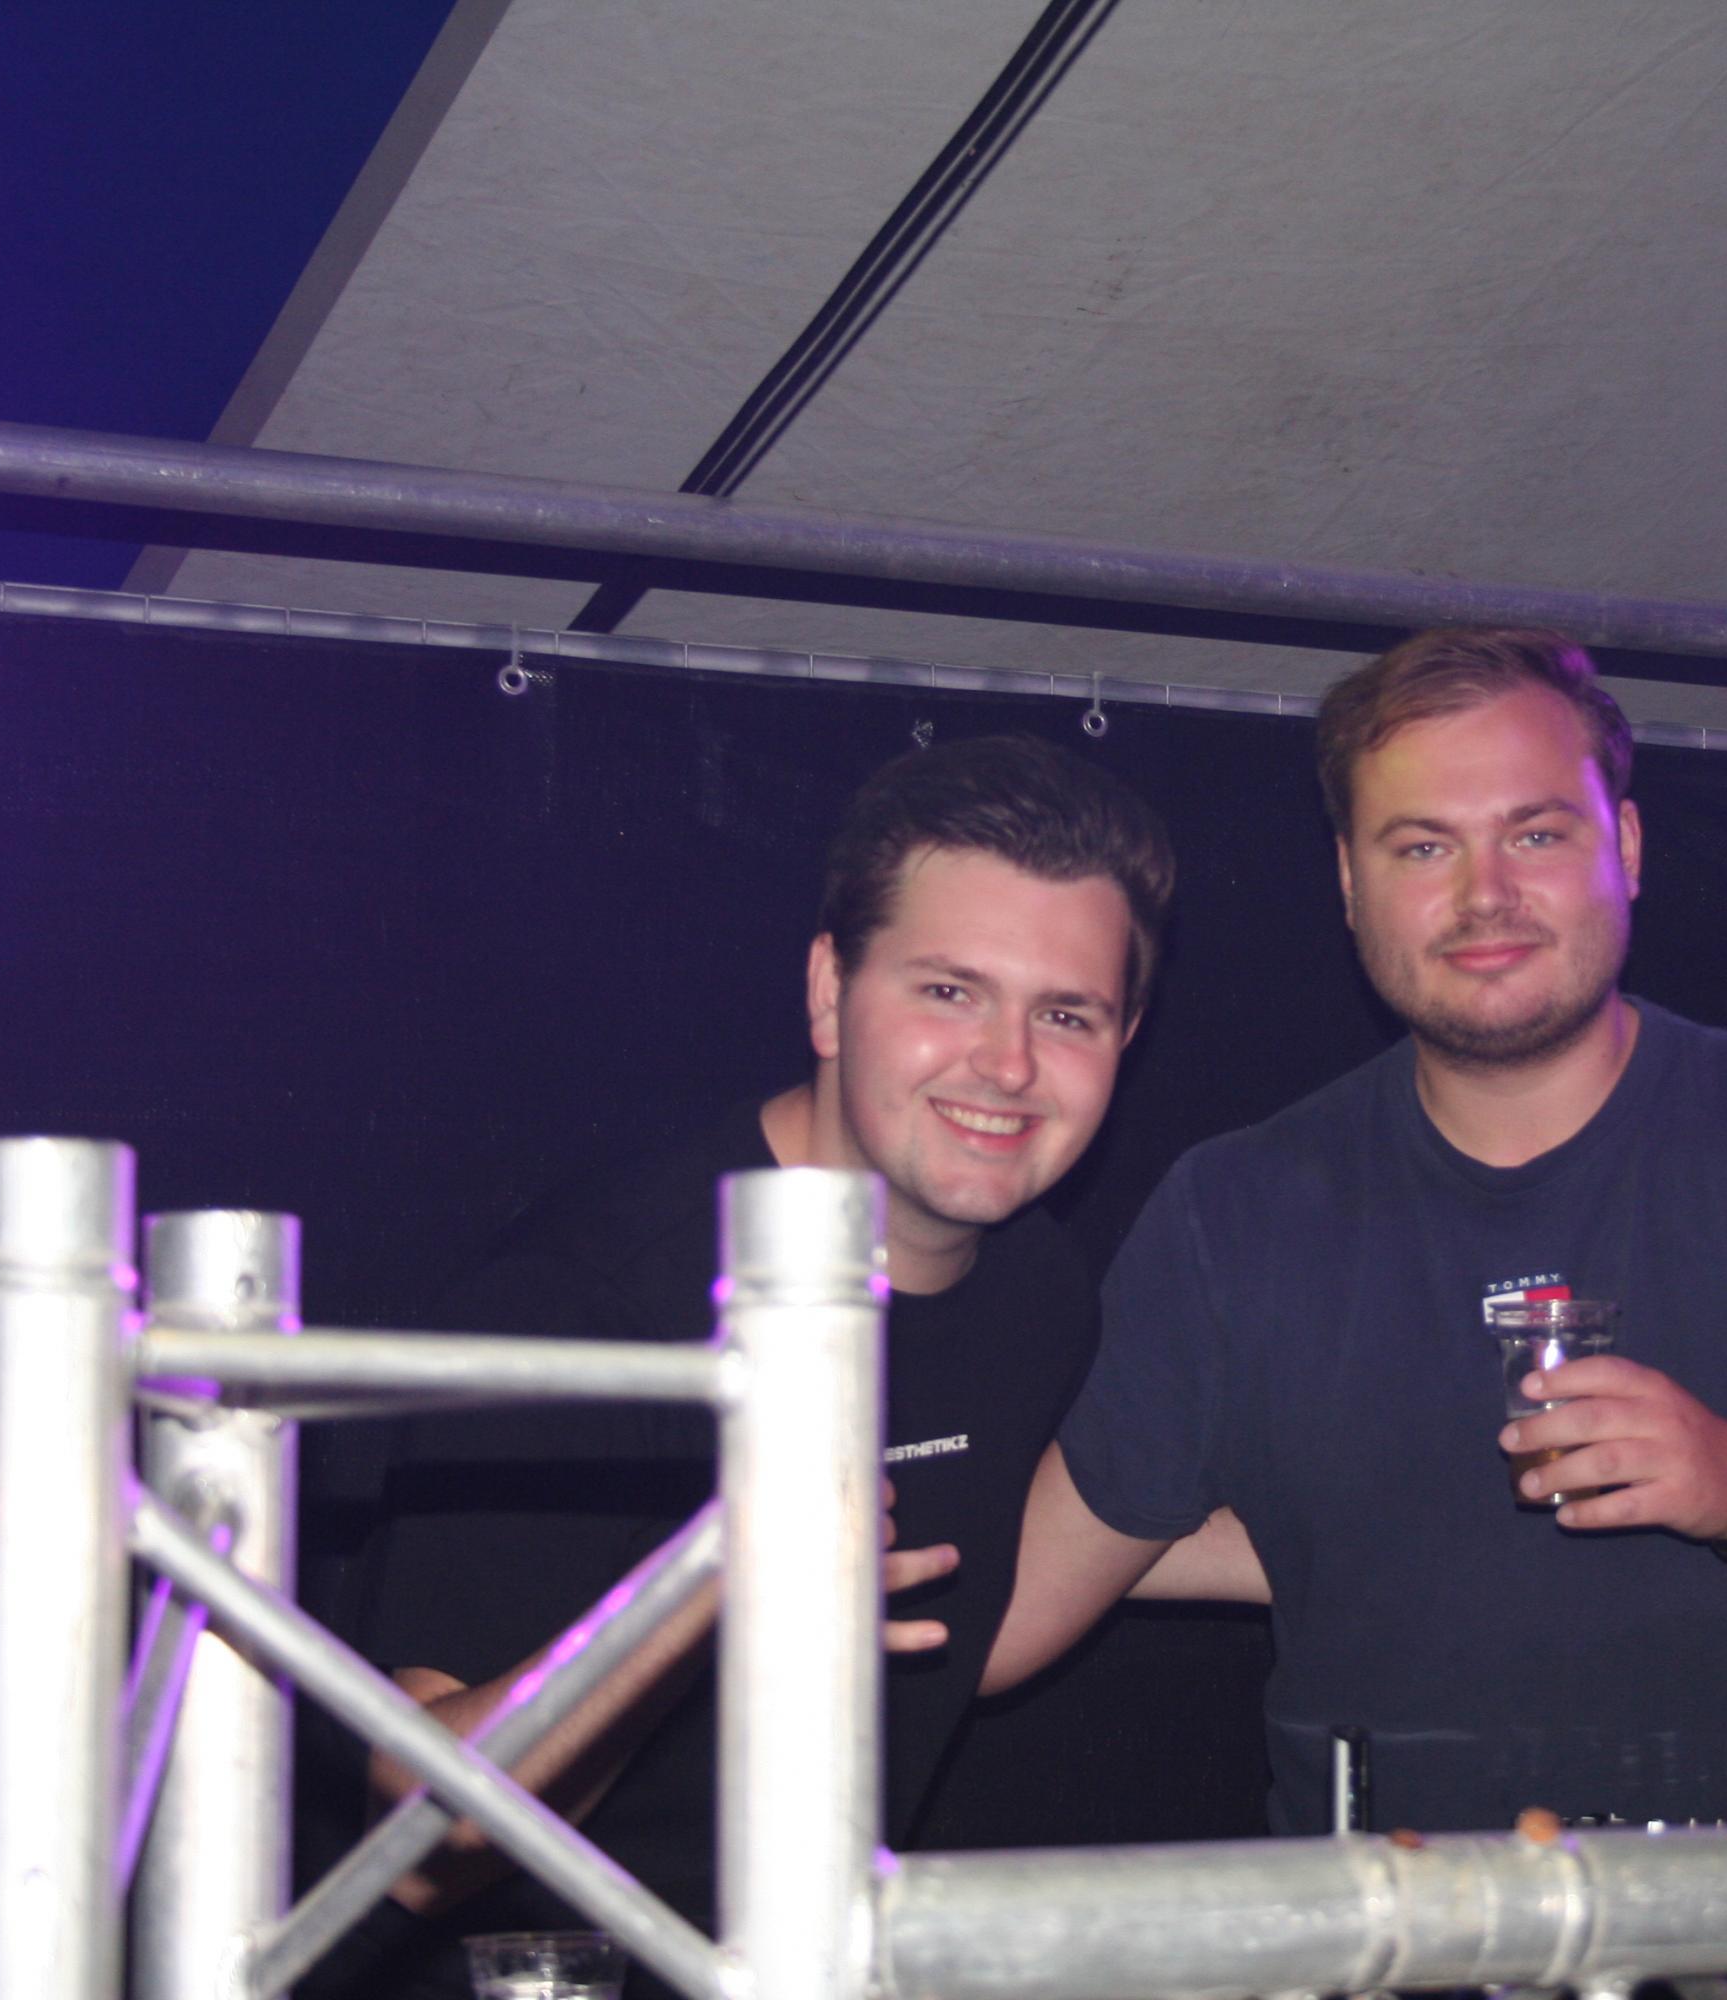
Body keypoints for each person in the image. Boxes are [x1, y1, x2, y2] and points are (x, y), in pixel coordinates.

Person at [987, 628, 1727, 1836]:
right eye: (1424, 845)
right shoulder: (1237, 1209)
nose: (1484, 895)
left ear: (1626, 847)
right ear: (1350, 883)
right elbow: (999, 1612)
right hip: (1392, 1927)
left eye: (1535, 833)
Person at [326, 733, 1184, 1997]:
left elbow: (1011, 1579)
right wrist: (717, 1576)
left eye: (1066, 1015)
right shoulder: (601, 1300)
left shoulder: (1038, 1288)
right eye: (950, 990)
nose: (1008, 1064)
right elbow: (420, 1833)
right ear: (830, 992)